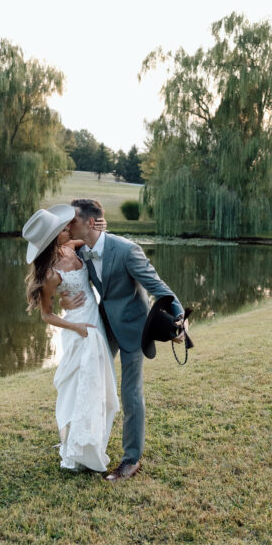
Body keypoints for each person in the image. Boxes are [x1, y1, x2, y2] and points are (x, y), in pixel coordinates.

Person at [61, 198, 187, 481]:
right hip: (103, 325)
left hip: (133, 328)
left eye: (74, 221)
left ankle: (131, 460)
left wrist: (180, 318)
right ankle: (85, 444)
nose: (69, 226)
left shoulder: (128, 251)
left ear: (90, 223)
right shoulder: (82, 247)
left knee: (131, 395)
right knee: (90, 380)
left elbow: (159, 287)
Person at [23, 205, 118, 473]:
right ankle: (75, 446)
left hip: (94, 320)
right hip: (78, 328)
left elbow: (97, 231)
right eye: (63, 229)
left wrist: (99, 223)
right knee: (77, 385)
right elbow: (47, 316)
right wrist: (76, 326)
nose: (68, 230)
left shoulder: (72, 247)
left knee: (96, 382)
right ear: (53, 239)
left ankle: (92, 438)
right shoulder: (50, 275)